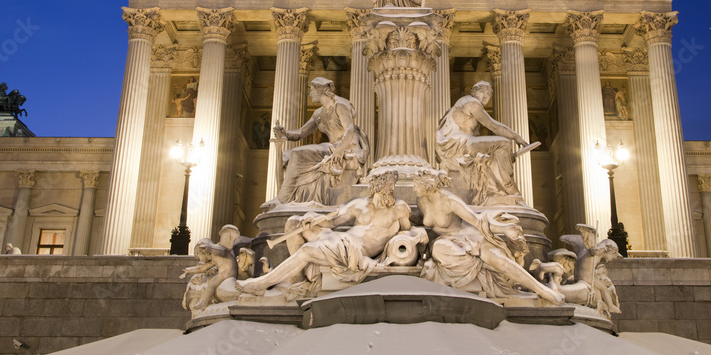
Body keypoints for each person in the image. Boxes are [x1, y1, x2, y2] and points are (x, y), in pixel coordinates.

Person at [223, 171, 410, 297]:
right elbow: (333, 222)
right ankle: (298, 279)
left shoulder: (399, 209)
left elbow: (410, 230)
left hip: (352, 251)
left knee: (306, 251)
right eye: (386, 185)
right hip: (340, 240)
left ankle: (261, 284)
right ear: (376, 186)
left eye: (391, 186)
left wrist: (418, 237)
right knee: (294, 222)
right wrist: (312, 217)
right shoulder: (358, 205)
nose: (390, 190)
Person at [414, 171, 563, 305]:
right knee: (440, 250)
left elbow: (477, 221)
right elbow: (424, 221)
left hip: (467, 236)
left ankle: (542, 290)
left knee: (498, 260)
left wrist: (503, 229)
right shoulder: (421, 201)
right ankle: (482, 268)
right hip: (444, 240)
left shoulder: (449, 201)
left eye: (416, 185)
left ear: (428, 186)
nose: (414, 188)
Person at [272, 77, 370, 205]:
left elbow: (350, 130)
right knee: (284, 156)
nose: (310, 93)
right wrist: (284, 133)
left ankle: (282, 199)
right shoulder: (319, 113)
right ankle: (285, 198)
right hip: (331, 148)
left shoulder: (340, 105)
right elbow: (301, 133)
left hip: (346, 148)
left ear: (321, 90)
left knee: (296, 154)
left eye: (312, 90)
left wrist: (339, 150)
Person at [435, 81, 529, 205]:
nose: (485, 96)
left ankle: (499, 190)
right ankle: (510, 189)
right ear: (473, 92)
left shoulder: (467, 106)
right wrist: (516, 136)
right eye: (482, 92)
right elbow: (492, 125)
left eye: (488, 94)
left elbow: (479, 141)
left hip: (461, 143)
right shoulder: (471, 102)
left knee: (496, 151)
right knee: (503, 143)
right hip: (456, 144)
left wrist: (502, 157)